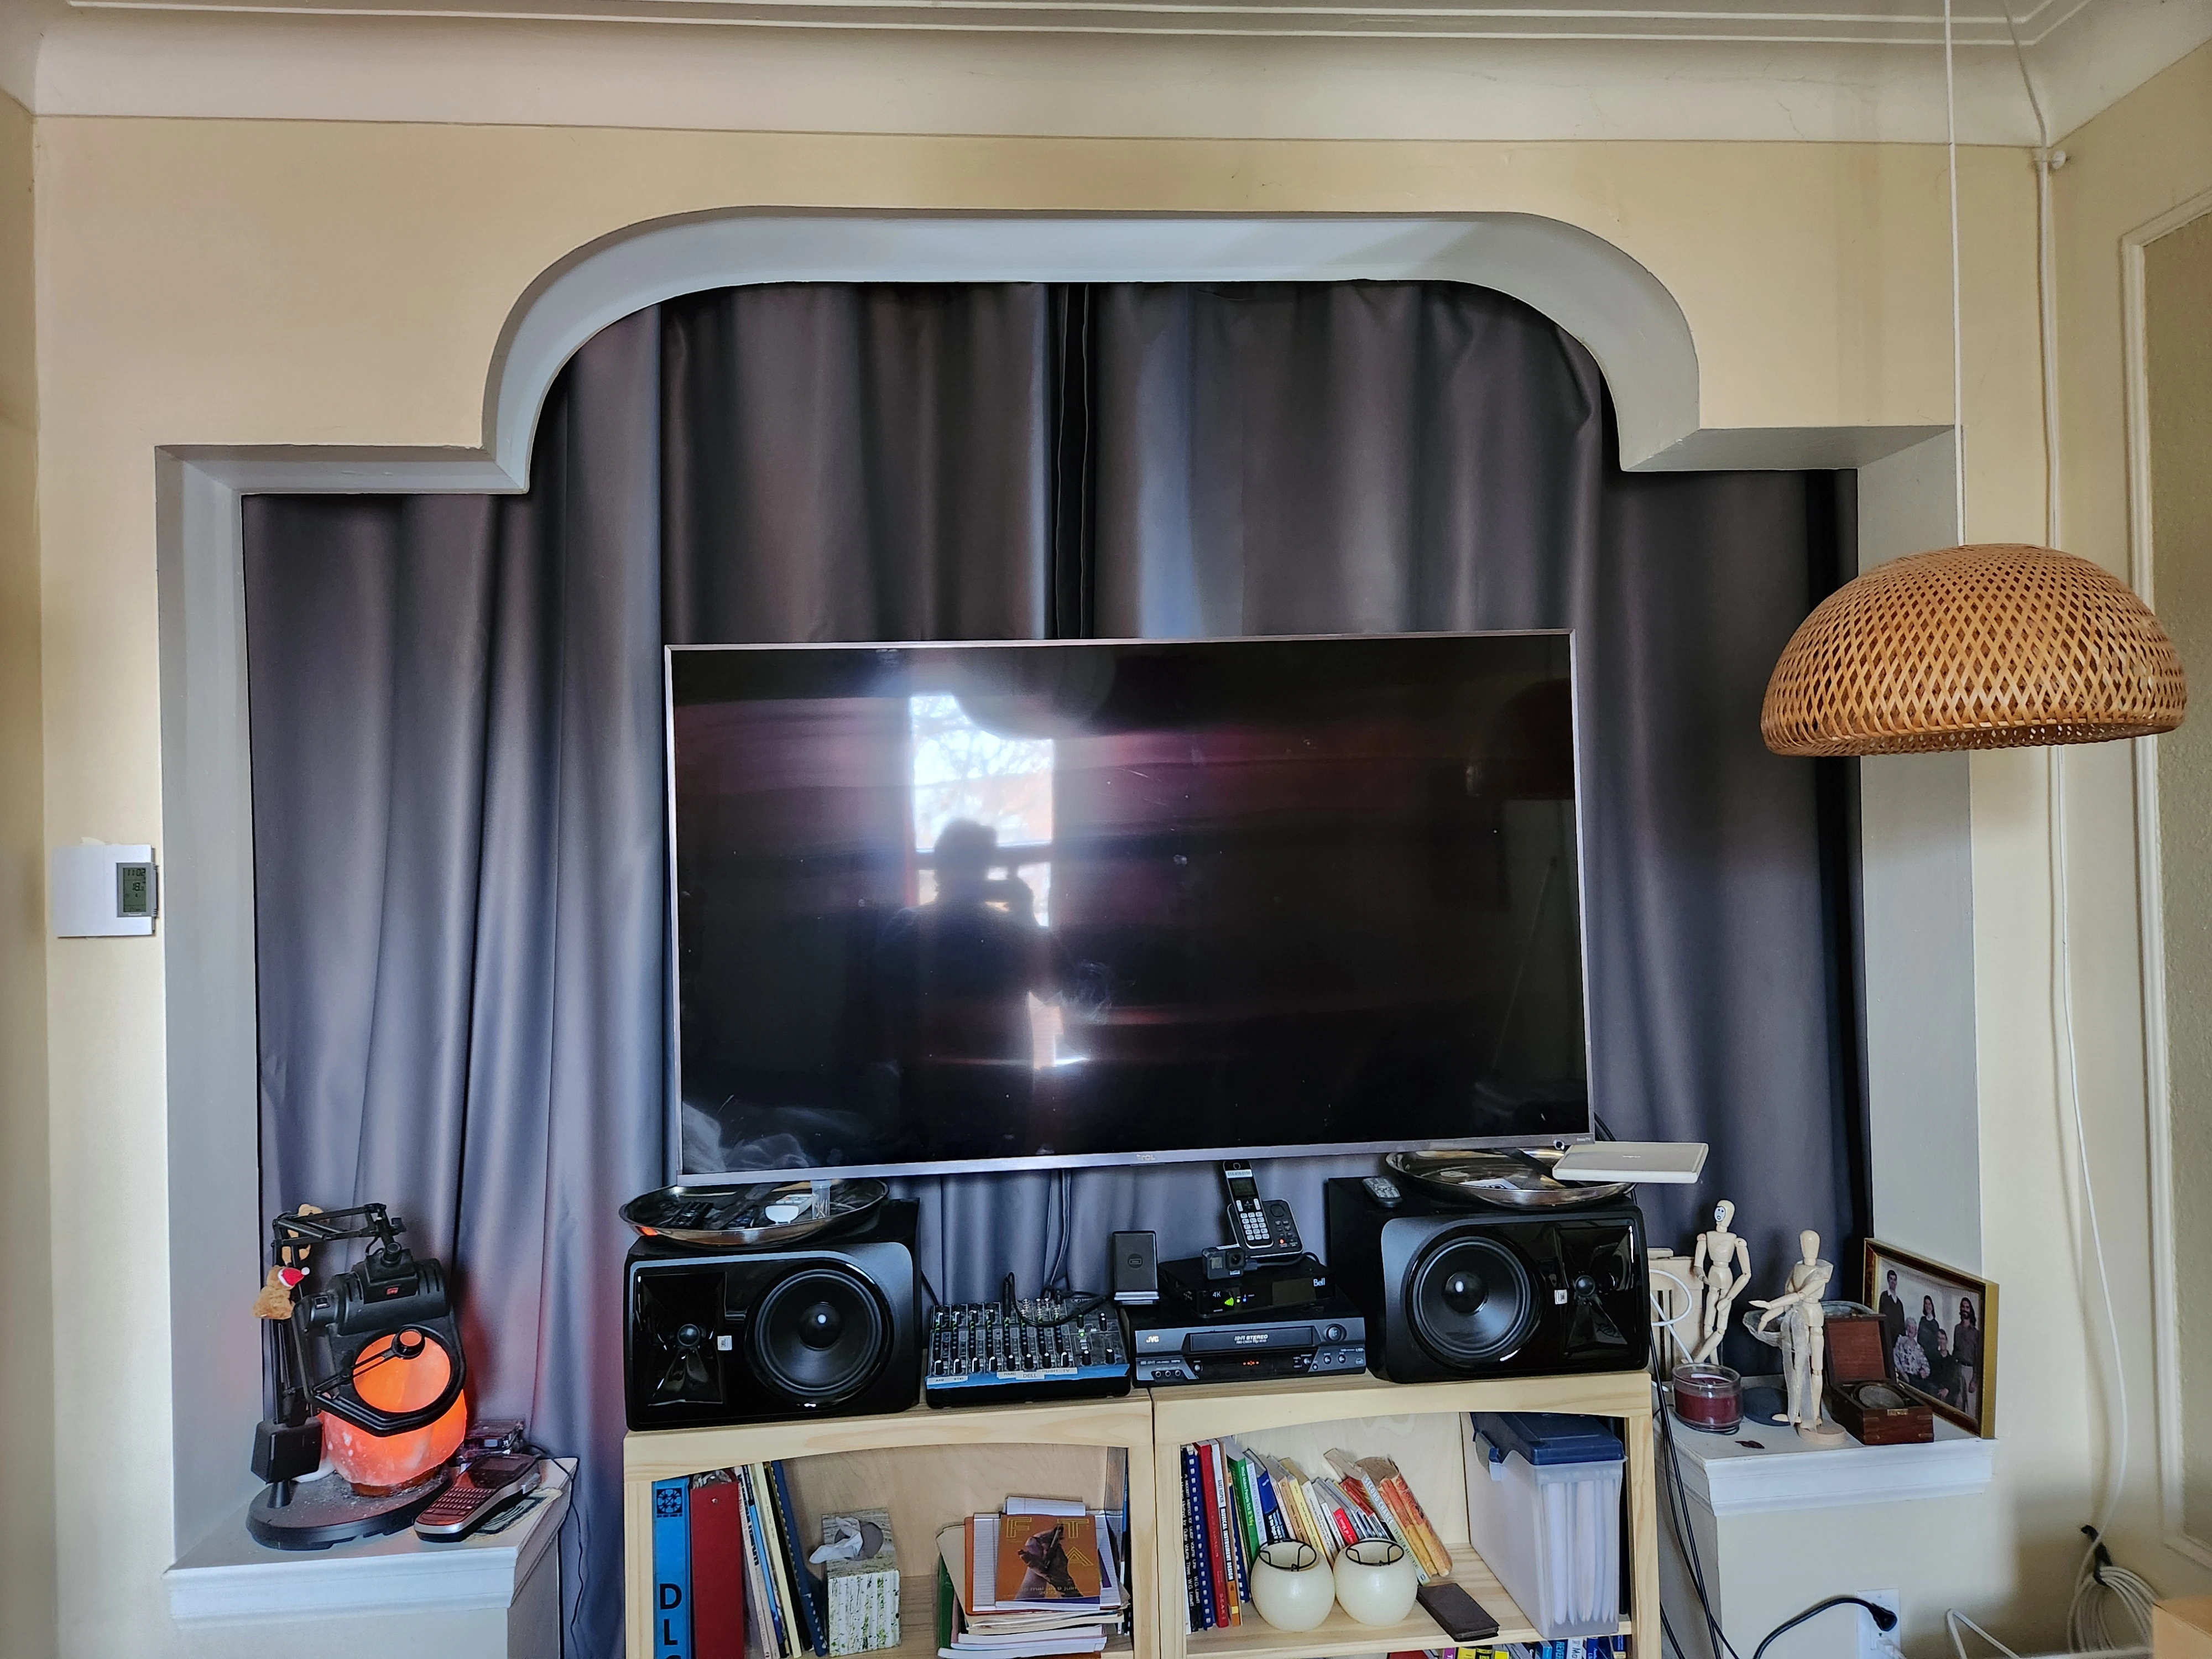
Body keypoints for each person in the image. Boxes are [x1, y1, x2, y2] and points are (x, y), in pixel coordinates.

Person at [1917, 1295, 1953, 1405]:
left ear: (1932, 1306)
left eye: (1929, 1304)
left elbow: (1936, 1343)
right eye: (1926, 1304)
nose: (1928, 1306)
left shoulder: (1935, 1324)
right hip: (1922, 1356)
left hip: (1932, 1357)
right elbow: (1919, 1338)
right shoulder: (1922, 1320)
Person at [1952, 1296, 1982, 1415]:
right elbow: (1955, 1350)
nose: (1965, 1309)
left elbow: (1978, 1358)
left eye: (1967, 1307)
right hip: (1958, 1369)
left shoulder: (1976, 1333)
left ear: (1971, 1311)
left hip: (1970, 1371)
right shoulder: (1957, 1329)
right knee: (1958, 1404)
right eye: (1963, 1307)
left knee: (1970, 1407)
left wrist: (1975, 1379)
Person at [1879, 1269, 1907, 1376]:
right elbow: (1883, 1315)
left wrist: (1902, 1339)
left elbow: (1901, 1321)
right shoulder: (1885, 1297)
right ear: (1888, 1281)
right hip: (1887, 1335)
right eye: (1891, 1279)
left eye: (1895, 1280)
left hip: (1897, 1338)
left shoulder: (1899, 1303)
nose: (1893, 1282)